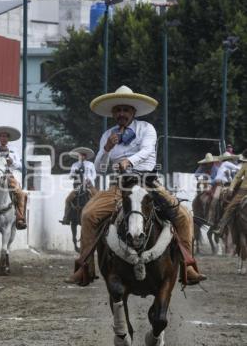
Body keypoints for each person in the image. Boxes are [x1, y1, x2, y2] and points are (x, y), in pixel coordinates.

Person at [65, 85, 206, 286]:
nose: (122, 113)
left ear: (133, 112)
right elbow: (100, 168)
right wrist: (106, 149)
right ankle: (84, 268)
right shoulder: (108, 135)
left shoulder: (147, 129)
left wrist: (129, 161)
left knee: (183, 215)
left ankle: (188, 266)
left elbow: (148, 151)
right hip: (119, 186)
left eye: (126, 109)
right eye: (118, 110)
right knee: (88, 215)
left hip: (148, 183)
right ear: (113, 113)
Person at [60, 147, 97, 225]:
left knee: (97, 197)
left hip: (89, 186)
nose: (81, 157)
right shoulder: (75, 165)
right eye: (80, 155)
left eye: (83, 155)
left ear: (86, 156)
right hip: (78, 186)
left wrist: (89, 179)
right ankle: (66, 218)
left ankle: (98, 217)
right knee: (68, 200)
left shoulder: (90, 164)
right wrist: (74, 173)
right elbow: (70, 176)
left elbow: (94, 175)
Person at [217, 149, 247, 236]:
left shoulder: (243, 165)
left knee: (230, 206)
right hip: (243, 190)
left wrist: (231, 188)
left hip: (242, 189)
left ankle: (220, 227)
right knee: (231, 206)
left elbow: (237, 177)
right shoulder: (244, 165)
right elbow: (237, 177)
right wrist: (231, 187)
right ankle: (221, 226)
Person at [207, 151, 239, 226]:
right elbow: (238, 168)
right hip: (220, 184)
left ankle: (211, 218)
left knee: (215, 200)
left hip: (223, 184)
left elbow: (230, 178)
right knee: (215, 200)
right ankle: (212, 218)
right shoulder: (227, 163)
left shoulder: (224, 165)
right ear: (229, 159)